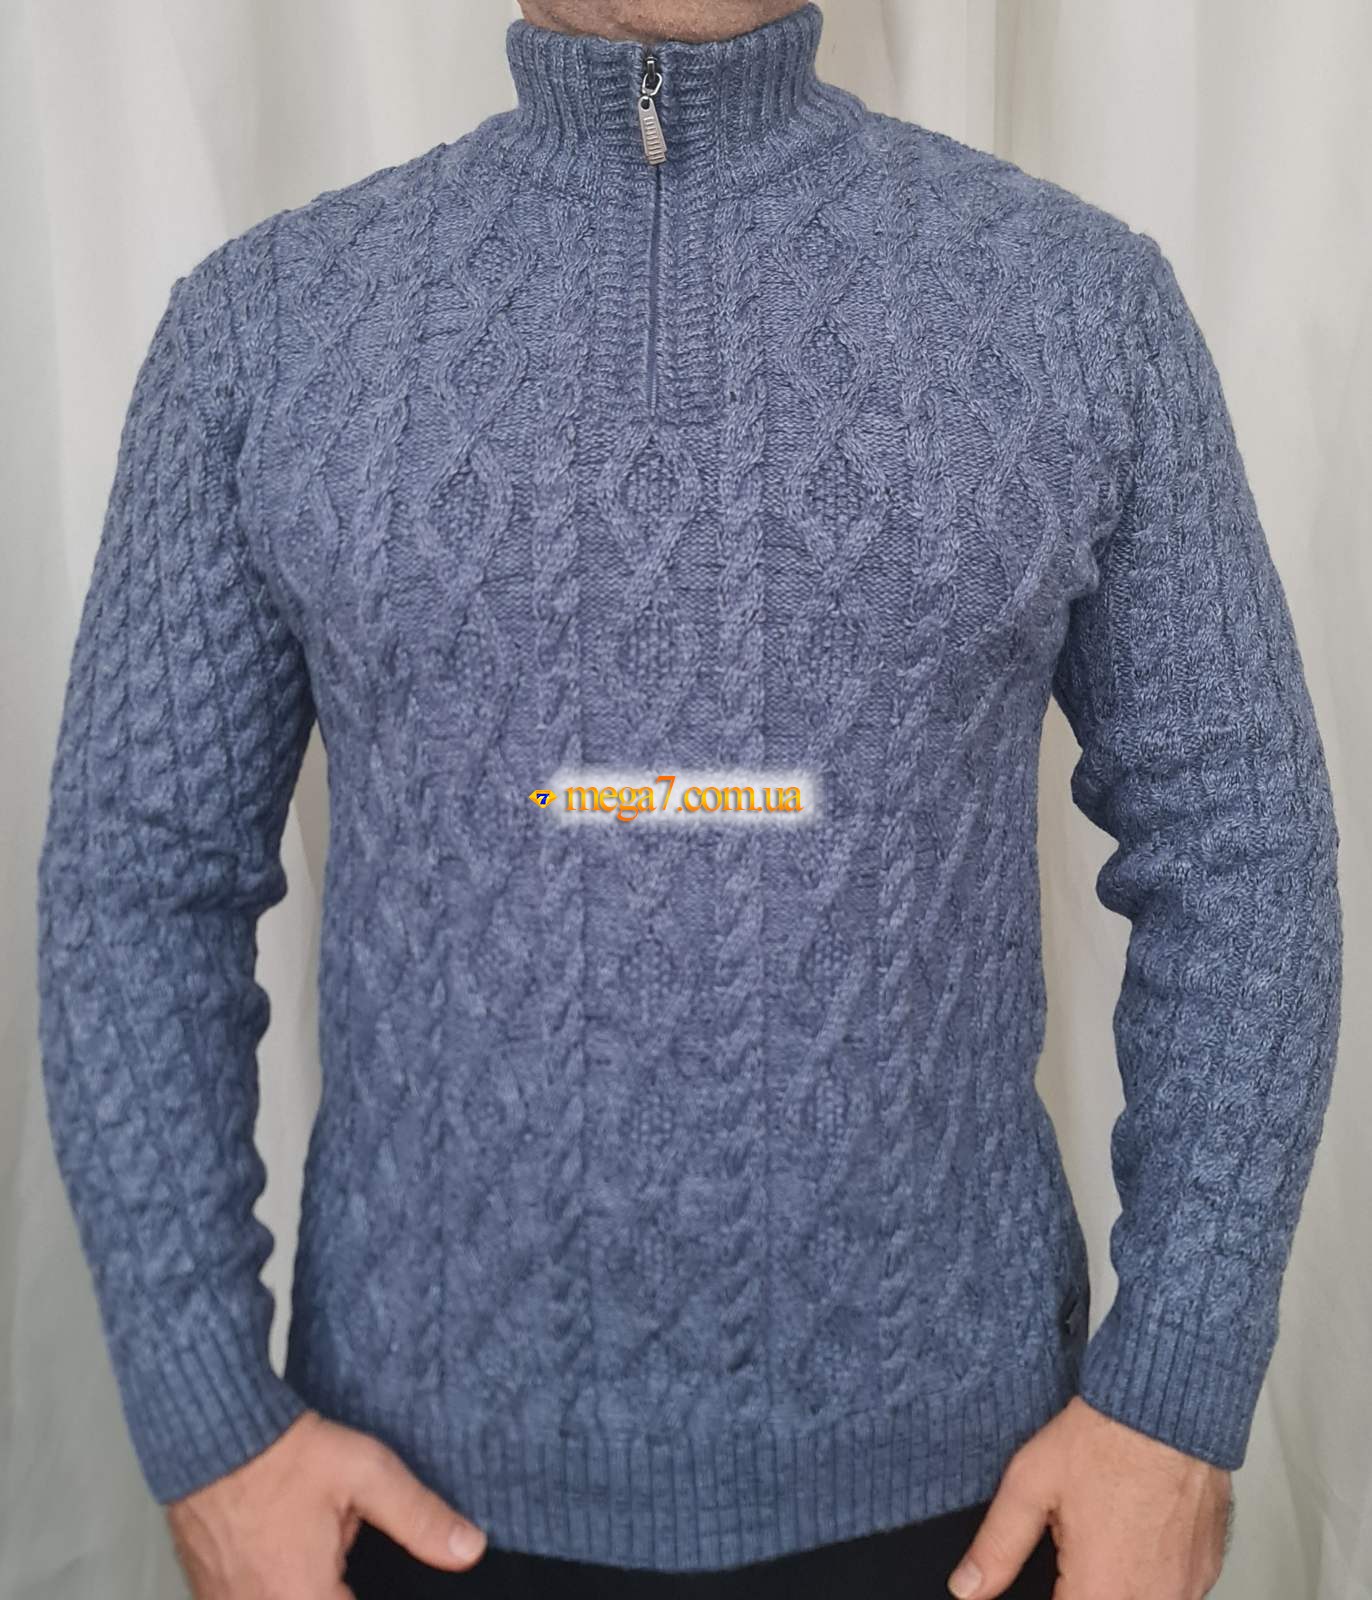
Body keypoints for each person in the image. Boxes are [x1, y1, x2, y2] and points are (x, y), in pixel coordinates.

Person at [33, 2, 1341, 1597]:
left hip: (979, 1508)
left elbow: (1239, 843)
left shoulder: (1077, 305)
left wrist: (1175, 1400)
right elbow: (139, 881)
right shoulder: (267, 328)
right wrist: (209, 1428)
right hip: (407, 1511)